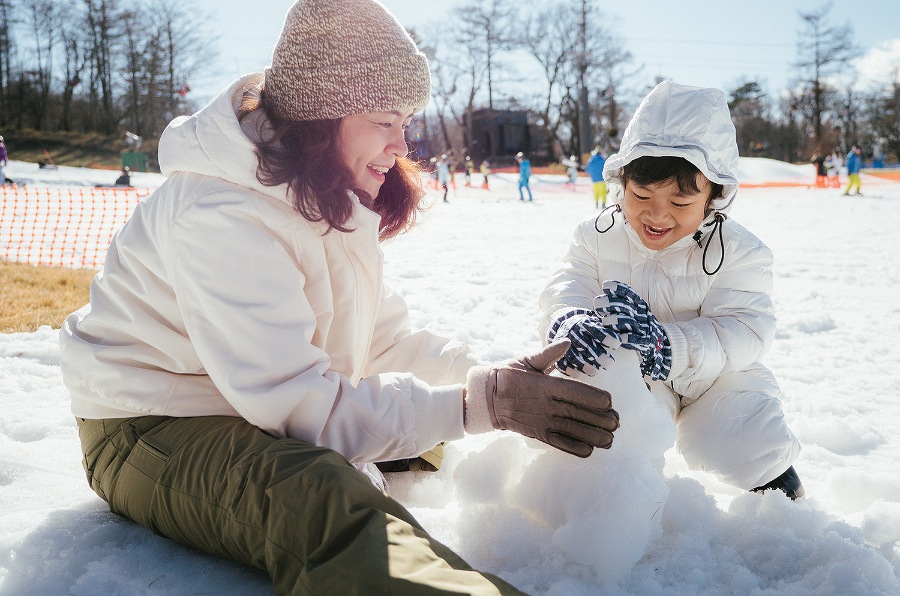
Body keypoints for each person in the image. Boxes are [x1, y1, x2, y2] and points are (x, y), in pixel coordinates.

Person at [58, 1, 620, 594]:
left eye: (406, 120)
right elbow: (299, 408)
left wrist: (490, 380)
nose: (402, 144)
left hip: (250, 401)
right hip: (156, 422)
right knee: (317, 496)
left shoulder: (320, 192)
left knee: (420, 435)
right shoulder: (221, 214)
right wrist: (483, 405)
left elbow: (383, 341)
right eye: (385, 120)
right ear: (321, 117)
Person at [539, 81, 803, 501]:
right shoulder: (596, 236)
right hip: (637, 373)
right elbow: (570, 284)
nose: (658, 215)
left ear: (714, 195)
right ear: (621, 183)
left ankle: (781, 495)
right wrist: (568, 319)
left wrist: (667, 347)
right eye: (642, 195)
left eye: (681, 203)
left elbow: (744, 329)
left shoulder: (740, 251)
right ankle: (622, 503)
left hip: (714, 374)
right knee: (610, 424)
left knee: (741, 439)